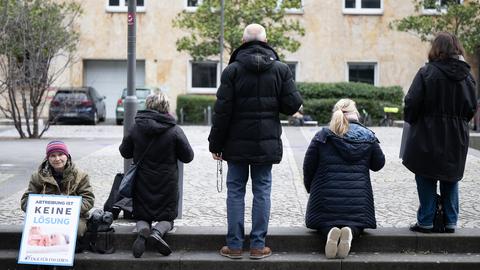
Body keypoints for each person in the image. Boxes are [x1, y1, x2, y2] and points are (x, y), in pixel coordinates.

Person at [208, 23, 303, 260]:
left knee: (235, 192)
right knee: (262, 191)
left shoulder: (232, 71)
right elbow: (293, 105)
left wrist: (215, 145)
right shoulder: (280, 70)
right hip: (265, 143)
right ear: (266, 40)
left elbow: (222, 113)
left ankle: (235, 245)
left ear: (243, 41)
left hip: (235, 144)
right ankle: (259, 246)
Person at [403, 32, 477, 233]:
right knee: (450, 176)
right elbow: (472, 107)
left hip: (427, 132)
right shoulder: (468, 77)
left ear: (436, 49)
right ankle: (451, 221)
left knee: (425, 175)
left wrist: (413, 119)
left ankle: (426, 221)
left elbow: (411, 102)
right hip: (456, 136)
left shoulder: (427, 72)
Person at [303, 99, 385, 259]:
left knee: (323, 221)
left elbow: (308, 167)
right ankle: (350, 231)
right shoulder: (368, 136)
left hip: (325, 199)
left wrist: (311, 190)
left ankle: (329, 232)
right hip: (358, 201)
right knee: (357, 223)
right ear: (356, 113)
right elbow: (378, 164)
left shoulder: (322, 135)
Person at [119, 92, 194, 258]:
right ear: (166, 107)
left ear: (148, 105)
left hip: (142, 182)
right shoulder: (174, 130)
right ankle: (158, 232)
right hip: (167, 183)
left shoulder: (136, 128)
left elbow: (125, 152)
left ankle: (143, 231)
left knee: (141, 215)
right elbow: (188, 157)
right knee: (168, 217)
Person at [21, 141, 95, 240]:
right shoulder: (37, 176)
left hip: (74, 216)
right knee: (36, 232)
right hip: (45, 217)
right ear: (48, 158)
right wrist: (40, 207)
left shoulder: (81, 175)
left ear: (67, 156)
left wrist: (70, 209)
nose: (57, 159)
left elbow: (88, 199)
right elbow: (25, 200)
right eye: (53, 155)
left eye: (61, 154)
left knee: (75, 231)